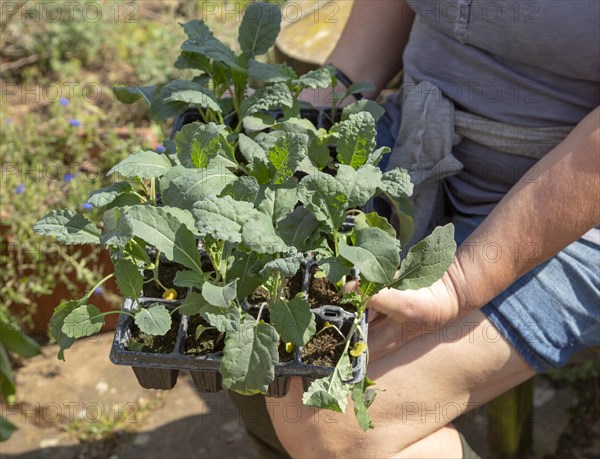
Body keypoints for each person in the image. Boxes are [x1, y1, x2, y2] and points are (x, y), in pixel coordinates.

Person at [230, 1, 600, 457]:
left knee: (335, 426)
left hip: (576, 209)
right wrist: (320, 104)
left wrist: (458, 285)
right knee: (244, 305)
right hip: (417, 136)